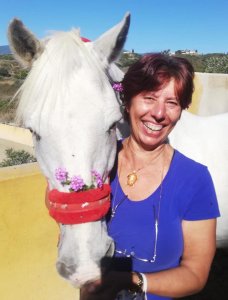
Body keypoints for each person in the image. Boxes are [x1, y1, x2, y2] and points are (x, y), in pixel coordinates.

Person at [80, 53, 220, 300]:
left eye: (172, 103)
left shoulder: (195, 179)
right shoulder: (98, 164)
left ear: (181, 111)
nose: (159, 113)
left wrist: (132, 280)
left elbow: (195, 275)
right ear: (128, 102)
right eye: (149, 98)